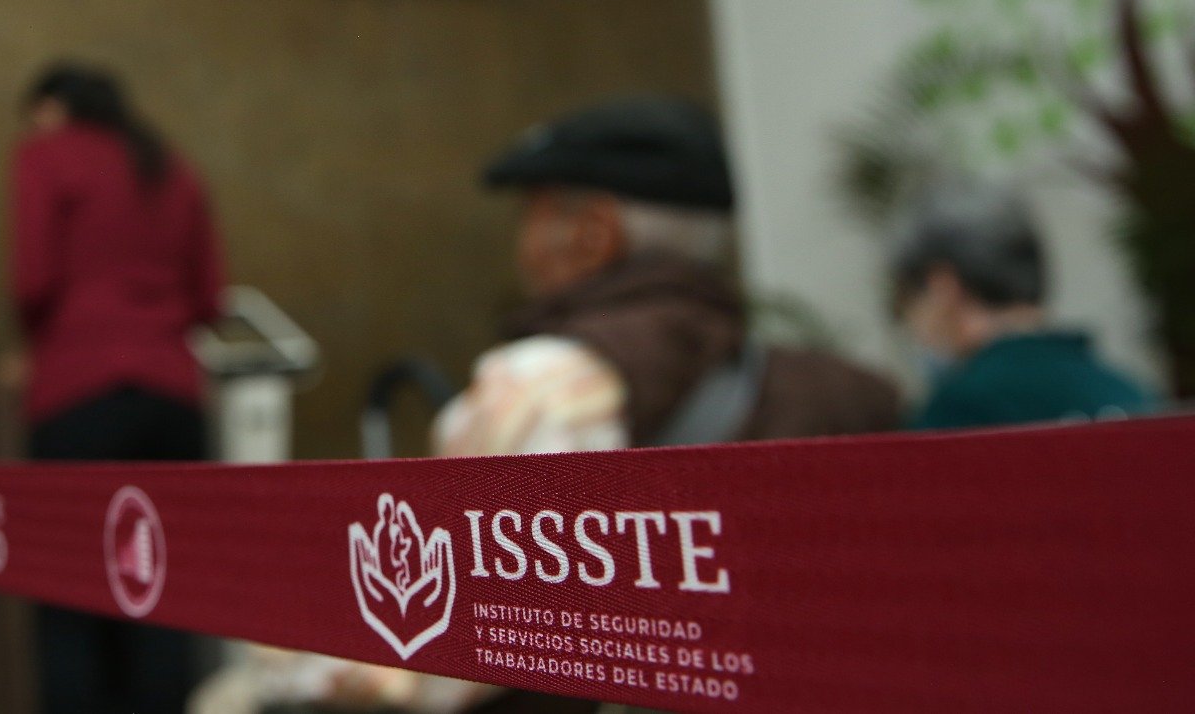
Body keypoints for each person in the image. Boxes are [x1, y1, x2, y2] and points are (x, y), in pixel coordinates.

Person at [193, 96, 899, 714]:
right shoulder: (851, 392)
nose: (522, 247)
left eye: (530, 217)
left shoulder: (541, 386)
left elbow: (449, 651)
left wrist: (276, 662)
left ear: (591, 235)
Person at [9, 62, 225, 714]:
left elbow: (32, 281)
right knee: (162, 592)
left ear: (56, 107)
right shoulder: (173, 167)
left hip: (77, 393)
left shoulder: (45, 158)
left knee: (70, 590)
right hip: (172, 397)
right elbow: (210, 299)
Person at [891, 181, 1156, 430]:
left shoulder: (960, 408)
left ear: (942, 287)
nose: (916, 331)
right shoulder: (1128, 391)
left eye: (905, 305)